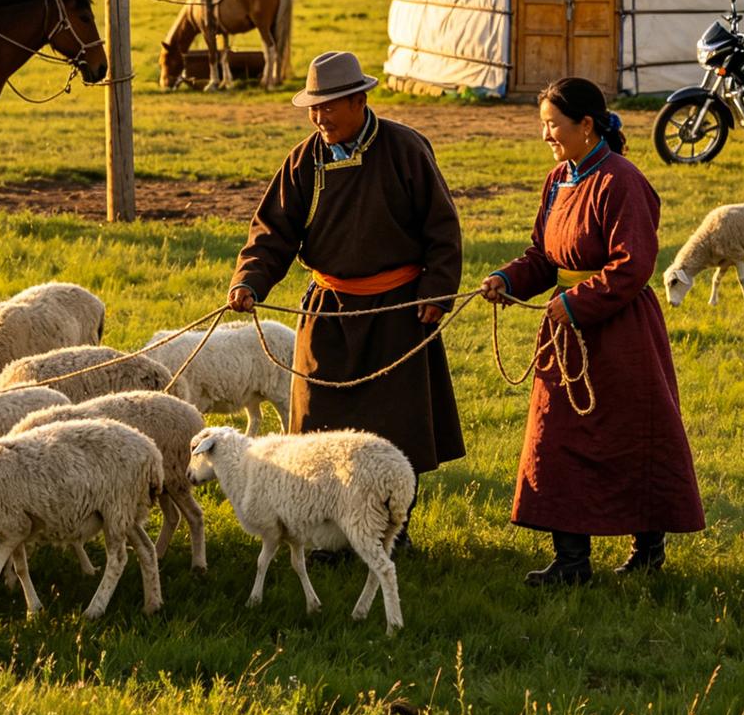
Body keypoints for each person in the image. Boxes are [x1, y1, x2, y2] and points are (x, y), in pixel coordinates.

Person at [227, 51, 465, 543]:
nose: (320, 118)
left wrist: (436, 293)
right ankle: (329, 537)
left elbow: (442, 229)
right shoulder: (304, 160)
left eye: (329, 106)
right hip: (328, 313)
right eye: (314, 108)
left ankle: (393, 534)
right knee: (319, 427)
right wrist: (249, 280)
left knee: (396, 428)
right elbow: (273, 232)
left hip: (397, 311)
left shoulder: (405, 149)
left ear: (358, 99)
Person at [480, 77, 704, 585]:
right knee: (557, 439)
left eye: (553, 125)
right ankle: (572, 562)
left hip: (620, 333)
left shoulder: (621, 180)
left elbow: (633, 265)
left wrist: (577, 302)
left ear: (585, 125)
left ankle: (648, 550)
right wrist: (507, 278)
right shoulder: (559, 178)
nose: (546, 137)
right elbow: (544, 255)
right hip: (567, 335)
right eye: (543, 126)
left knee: (630, 436)